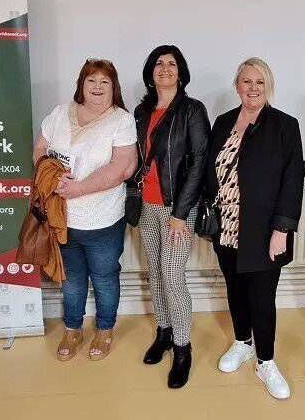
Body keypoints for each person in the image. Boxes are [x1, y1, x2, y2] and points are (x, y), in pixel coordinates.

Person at [204, 57, 304, 400]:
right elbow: (211, 171)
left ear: (268, 86)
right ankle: (242, 343)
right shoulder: (223, 122)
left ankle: (266, 361)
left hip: (265, 231)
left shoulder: (285, 125)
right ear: (237, 85)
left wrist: (282, 230)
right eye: (247, 81)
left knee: (262, 298)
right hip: (226, 227)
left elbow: (292, 181)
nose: (253, 88)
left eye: (260, 82)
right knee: (235, 290)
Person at [32, 59, 137, 361]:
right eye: (91, 80)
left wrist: (79, 188)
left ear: (114, 88)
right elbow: (40, 149)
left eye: (105, 82)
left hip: (102, 220)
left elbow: (122, 168)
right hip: (62, 218)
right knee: (72, 279)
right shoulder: (59, 113)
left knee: (104, 277)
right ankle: (72, 329)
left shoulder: (121, 120)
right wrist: (49, 175)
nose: (97, 87)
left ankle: (104, 329)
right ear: (81, 84)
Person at [128, 45, 210, 389]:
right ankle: (163, 331)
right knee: (156, 274)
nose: (165, 69)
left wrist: (180, 213)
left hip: (177, 210)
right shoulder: (141, 111)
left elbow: (200, 161)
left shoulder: (192, 110)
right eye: (159, 64)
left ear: (181, 72)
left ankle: (183, 347)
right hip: (147, 207)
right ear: (151, 72)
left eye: (171, 64)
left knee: (173, 276)